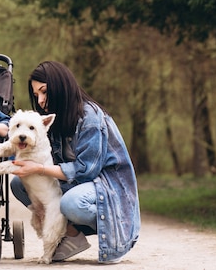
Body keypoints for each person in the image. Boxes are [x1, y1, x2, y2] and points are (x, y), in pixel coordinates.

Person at [11, 61, 140, 263]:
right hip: (80, 184)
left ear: (60, 87)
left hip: (106, 185)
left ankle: (119, 226)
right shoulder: (55, 119)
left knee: (71, 204)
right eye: (37, 95)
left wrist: (40, 169)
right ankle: (71, 234)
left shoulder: (90, 118)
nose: (41, 100)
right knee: (19, 183)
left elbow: (87, 170)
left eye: (44, 92)